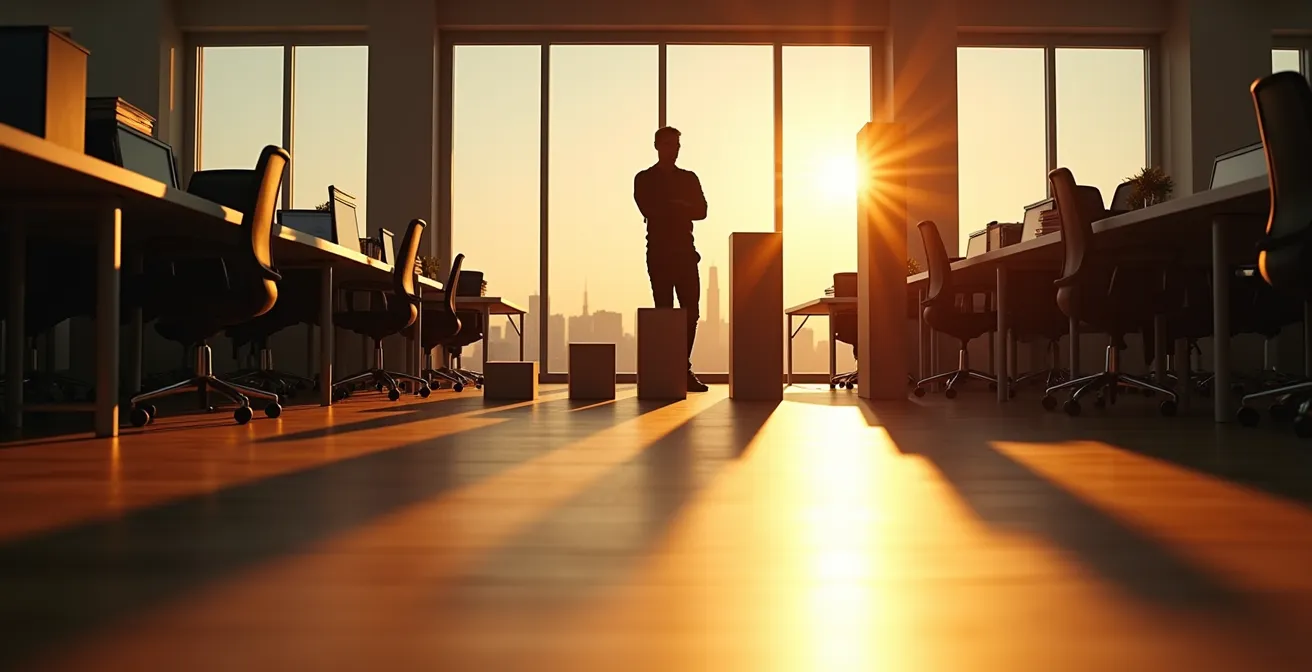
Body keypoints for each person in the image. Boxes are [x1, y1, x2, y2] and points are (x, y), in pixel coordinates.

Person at [633, 126, 709, 392]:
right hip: (660, 255)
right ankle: (670, 371)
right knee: (664, 312)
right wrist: (679, 206)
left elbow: (701, 211)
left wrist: (673, 206)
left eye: (677, 145)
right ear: (657, 146)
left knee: (691, 313)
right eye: (668, 144)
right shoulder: (644, 178)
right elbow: (649, 208)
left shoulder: (688, 178)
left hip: (686, 254)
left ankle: (681, 368)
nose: (674, 149)